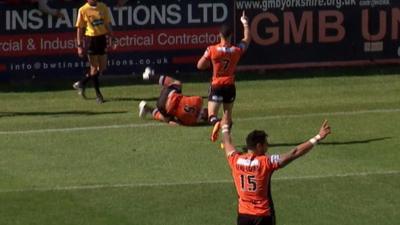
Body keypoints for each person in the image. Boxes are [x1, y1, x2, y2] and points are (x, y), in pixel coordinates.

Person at [220, 114, 331, 225]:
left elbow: (227, 142)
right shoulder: (266, 162)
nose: (267, 146)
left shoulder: (235, 160)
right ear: (259, 146)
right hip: (262, 215)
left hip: (243, 215)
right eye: (265, 144)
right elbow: (294, 153)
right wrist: (318, 137)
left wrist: (224, 126)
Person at [197, 11, 251, 142]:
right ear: (231, 35)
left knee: (211, 116)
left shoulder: (212, 50)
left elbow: (200, 65)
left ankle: (216, 123)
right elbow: (247, 39)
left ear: (219, 35)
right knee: (228, 115)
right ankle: (226, 141)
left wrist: (211, 64)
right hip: (230, 86)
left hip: (217, 85)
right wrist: (245, 23)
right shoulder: (236, 50)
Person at [73, 0, 116, 104]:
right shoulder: (83, 10)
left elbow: (107, 24)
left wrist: (112, 37)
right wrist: (79, 45)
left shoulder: (103, 7)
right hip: (90, 39)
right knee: (94, 68)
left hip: (101, 39)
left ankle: (82, 83)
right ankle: (99, 96)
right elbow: (79, 29)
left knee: (102, 68)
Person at [138, 67, 208, 126]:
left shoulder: (199, 101)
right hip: (162, 106)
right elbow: (178, 122)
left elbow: (186, 99)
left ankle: (149, 76)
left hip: (168, 94)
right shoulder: (191, 122)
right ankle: (147, 108)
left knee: (178, 83)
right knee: (167, 119)